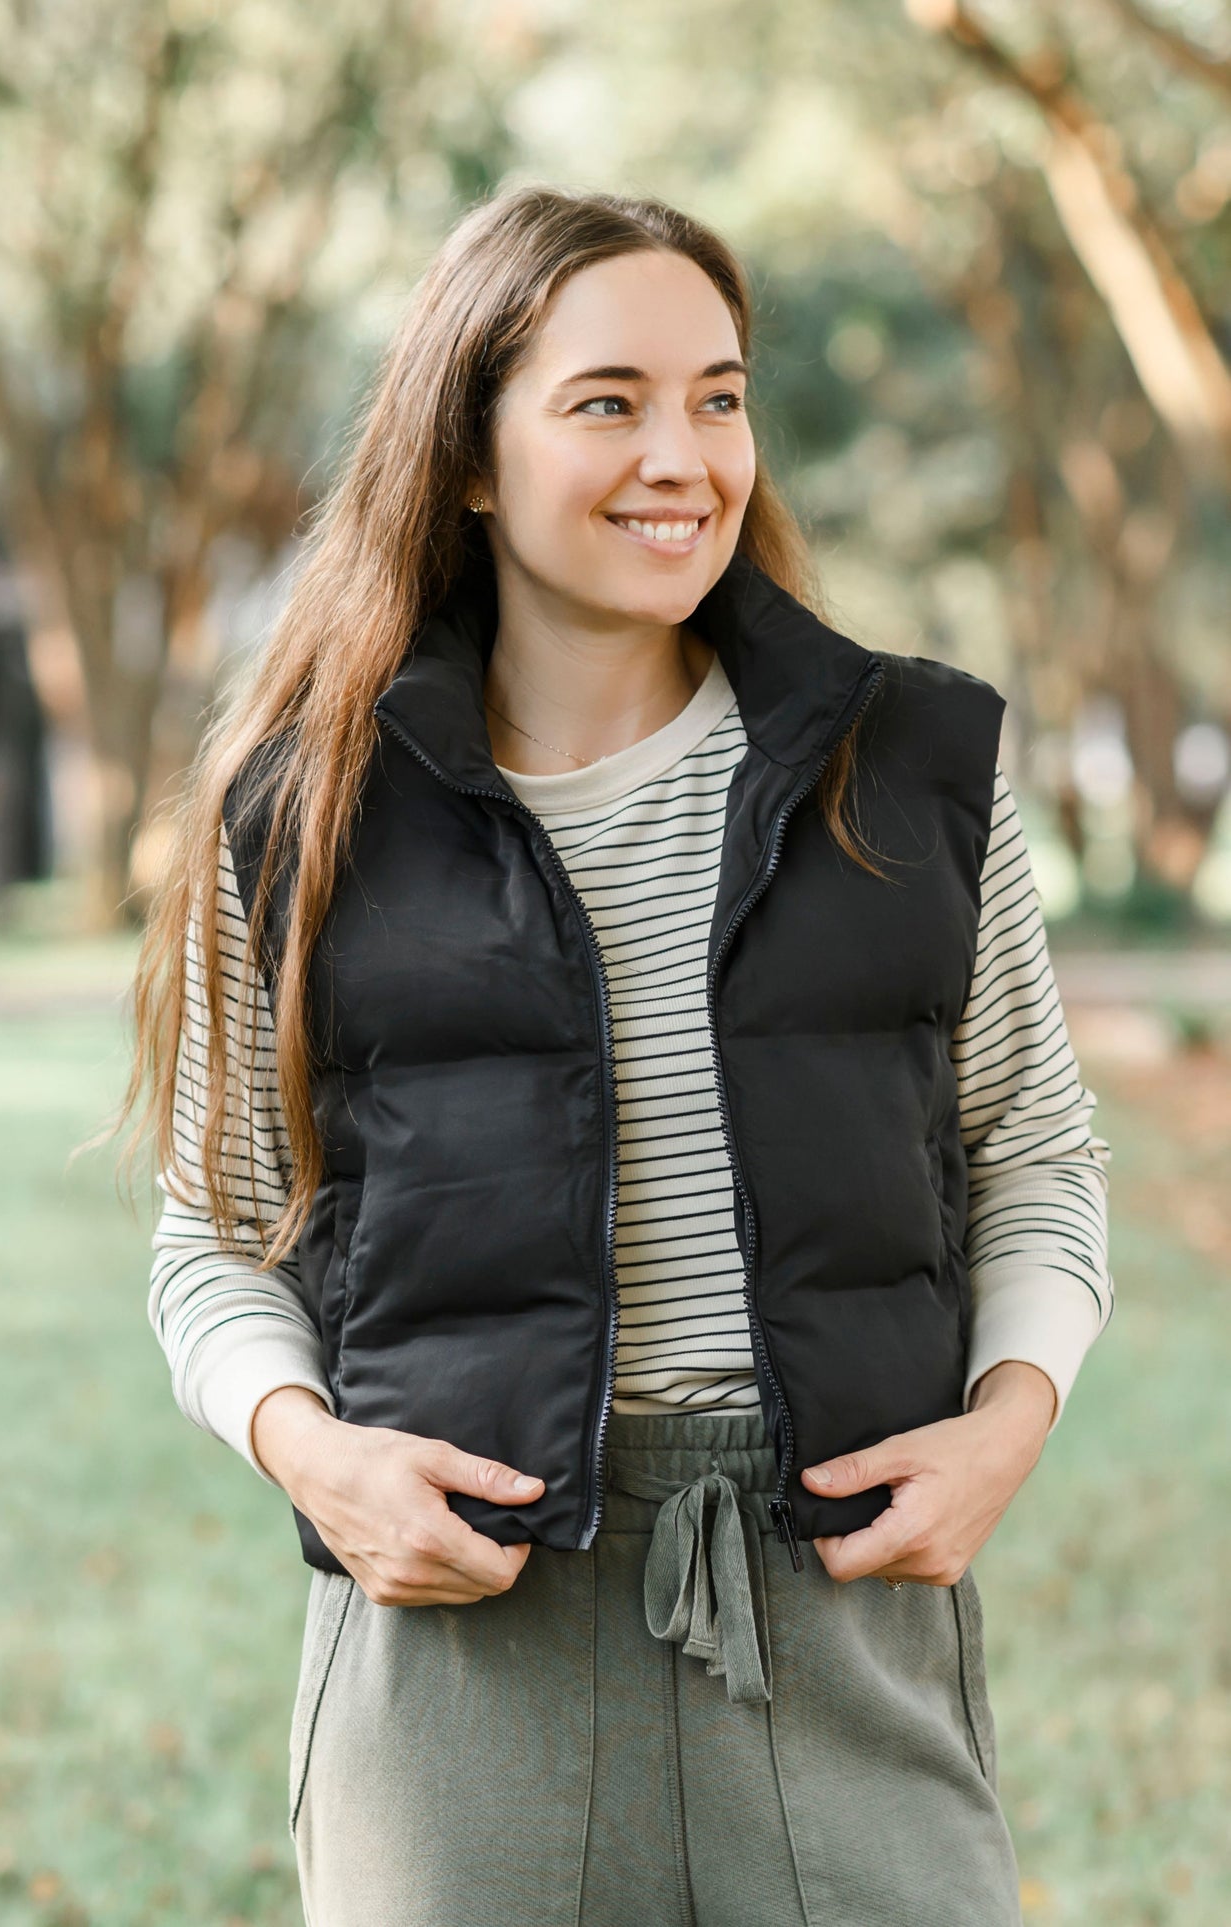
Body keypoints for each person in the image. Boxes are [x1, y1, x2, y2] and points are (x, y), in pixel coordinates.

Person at [129, 184, 1112, 1926]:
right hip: (462, 1651)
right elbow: (217, 1232)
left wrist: (1005, 1423)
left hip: (834, 1608)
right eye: (609, 401)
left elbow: (1031, 1150)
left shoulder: (910, 770)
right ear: (474, 458)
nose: (684, 454)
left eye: (718, 396)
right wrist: (315, 1456)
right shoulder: (303, 814)